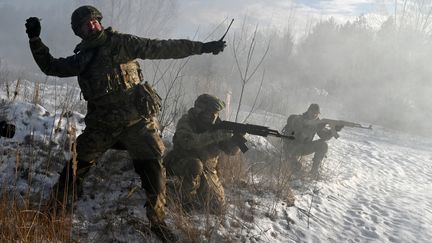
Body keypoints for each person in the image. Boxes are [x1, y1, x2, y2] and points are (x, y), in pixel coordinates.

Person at [25, 5, 226, 242]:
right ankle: (54, 209)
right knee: (76, 165)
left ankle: (157, 221)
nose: (91, 26)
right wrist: (35, 39)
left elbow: (162, 48)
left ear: (99, 21)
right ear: (79, 32)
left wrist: (202, 48)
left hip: (137, 123)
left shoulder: (122, 43)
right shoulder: (82, 59)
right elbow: (51, 66)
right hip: (103, 126)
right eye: (84, 25)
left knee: (153, 169)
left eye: (93, 21)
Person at [164, 94, 242, 213]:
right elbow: (187, 142)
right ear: (200, 110)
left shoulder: (218, 126)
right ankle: (184, 202)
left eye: (215, 113)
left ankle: (194, 189)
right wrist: (215, 136)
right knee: (195, 165)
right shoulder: (187, 121)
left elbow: (231, 151)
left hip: (207, 169)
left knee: (217, 206)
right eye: (210, 112)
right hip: (180, 162)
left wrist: (238, 140)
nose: (213, 116)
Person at [282, 104, 343, 176]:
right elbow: (297, 128)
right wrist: (312, 125)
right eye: (313, 112)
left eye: (316, 113)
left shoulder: (317, 123)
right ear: (308, 111)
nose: (314, 115)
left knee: (323, 145)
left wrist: (334, 130)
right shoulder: (299, 119)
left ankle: (314, 171)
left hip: (304, 147)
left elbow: (325, 136)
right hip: (291, 148)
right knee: (295, 167)